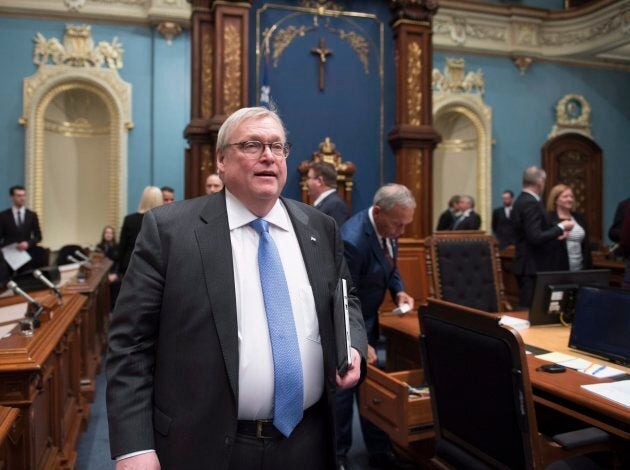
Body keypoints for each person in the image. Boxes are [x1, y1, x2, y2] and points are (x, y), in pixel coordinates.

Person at [106, 107, 367, 470]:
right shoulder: (169, 231)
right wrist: (133, 446)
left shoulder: (319, 228)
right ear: (221, 161)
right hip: (205, 444)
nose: (268, 156)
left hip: (308, 440)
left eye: (278, 147)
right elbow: (130, 344)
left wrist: (352, 344)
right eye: (252, 144)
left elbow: (345, 298)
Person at [337, 183, 416, 470]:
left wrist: (400, 292)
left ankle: (380, 453)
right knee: (345, 394)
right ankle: (339, 456)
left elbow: (390, 267)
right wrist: (360, 342)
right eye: (398, 224)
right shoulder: (352, 239)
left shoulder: (388, 228)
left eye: (405, 225)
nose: (401, 232)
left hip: (370, 323)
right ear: (379, 212)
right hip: (348, 327)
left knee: (373, 390)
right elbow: (344, 298)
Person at [511, 167, 573, 308]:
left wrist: (555, 233)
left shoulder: (521, 200)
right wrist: (561, 227)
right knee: (528, 310)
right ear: (540, 182)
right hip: (531, 266)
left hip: (527, 264)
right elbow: (535, 236)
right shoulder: (530, 202)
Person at [545, 184, 592, 272]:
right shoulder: (549, 219)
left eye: (571, 196)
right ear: (555, 200)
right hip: (558, 269)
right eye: (565, 196)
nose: (570, 199)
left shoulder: (579, 217)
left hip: (580, 268)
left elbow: (586, 245)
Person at [117, 186, 163, 276]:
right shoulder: (164, 221)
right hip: (155, 268)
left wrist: (118, 270)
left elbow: (122, 248)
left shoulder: (129, 219)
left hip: (131, 266)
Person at [0, 185, 43, 273]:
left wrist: (28, 243)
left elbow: (38, 236)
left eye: (23, 195)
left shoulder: (31, 215)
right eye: (19, 196)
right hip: (9, 256)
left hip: (27, 255)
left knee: (25, 281)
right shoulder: (3, 216)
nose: (22, 198)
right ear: (12, 197)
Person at [306, 161, 350, 227]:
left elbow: (336, 235)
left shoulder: (336, 205)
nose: (307, 182)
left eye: (309, 178)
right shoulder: (327, 203)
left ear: (319, 181)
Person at [98, 225, 121, 309]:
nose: (108, 235)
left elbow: (119, 262)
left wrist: (114, 274)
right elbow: (98, 264)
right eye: (107, 232)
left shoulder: (117, 247)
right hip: (102, 274)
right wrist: (106, 275)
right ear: (104, 234)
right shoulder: (99, 247)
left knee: (116, 283)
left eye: (111, 233)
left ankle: (113, 310)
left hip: (114, 273)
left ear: (113, 235)